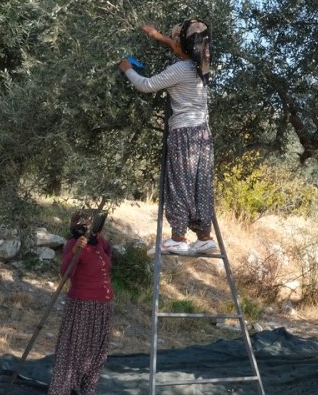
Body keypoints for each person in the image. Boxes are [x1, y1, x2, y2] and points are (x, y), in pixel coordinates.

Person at [119, 20, 215, 255]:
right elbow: (182, 46)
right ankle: (204, 237)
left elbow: (146, 85)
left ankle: (178, 238)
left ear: (182, 46)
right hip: (203, 134)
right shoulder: (203, 65)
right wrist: (159, 37)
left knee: (179, 183)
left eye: (174, 40)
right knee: (200, 185)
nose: (171, 44)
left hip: (183, 133)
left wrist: (127, 69)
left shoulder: (178, 70)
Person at [47, 213, 114, 395]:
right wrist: (76, 250)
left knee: (96, 352)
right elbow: (65, 272)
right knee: (74, 350)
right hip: (83, 305)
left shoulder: (99, 243)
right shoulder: (74, 244)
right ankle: (62, 389)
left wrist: (100, 239)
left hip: (103, 307)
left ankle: (88, 388)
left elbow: (108, 254)